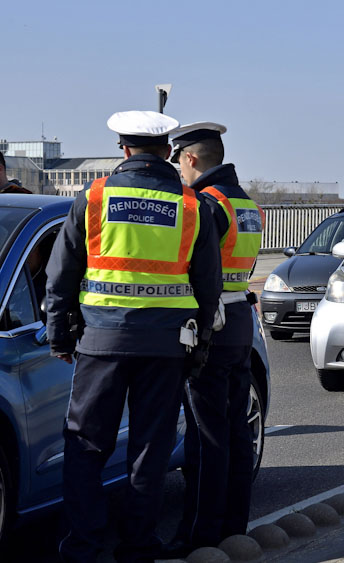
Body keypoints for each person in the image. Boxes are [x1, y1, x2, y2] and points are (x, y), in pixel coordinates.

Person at [46, 111, 222, 562]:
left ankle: (84, 545)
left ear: (123, 150)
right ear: (168, 152)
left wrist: (59, 334)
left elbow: (62, 271)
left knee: (85, 445)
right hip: (165, 347)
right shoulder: (191, 206)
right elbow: (208, 287)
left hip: (101, 343)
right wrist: (200, 345)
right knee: (150, 447)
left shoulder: (95, 196)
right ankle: (138, 545)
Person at [162, 122, 264, 557]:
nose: (179, 172)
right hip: (240, 319)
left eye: (179, 163)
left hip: (212, 323)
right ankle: (233, 527)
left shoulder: (206, 203)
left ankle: (199, 534)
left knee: (206, 438)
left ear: (191, 159)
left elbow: (191, 266)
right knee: (236, 432)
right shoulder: (246, 204)